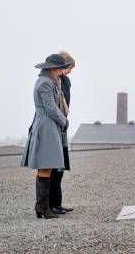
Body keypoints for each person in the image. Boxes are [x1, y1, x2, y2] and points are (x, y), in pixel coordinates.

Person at [21, 54, 71, 219]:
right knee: (45, 165)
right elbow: (50, 107)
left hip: (50, 125)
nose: (61, 71)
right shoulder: (44, 83)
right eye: (60, 68)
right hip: (46, 126)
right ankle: (42, 207)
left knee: (47, 166)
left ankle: (42, 206)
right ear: (53, 69)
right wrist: (64, 120)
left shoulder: (49, 81)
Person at [48, 51, 75, 214]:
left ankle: (57, 202)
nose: (70, 71)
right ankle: (50, 204)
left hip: (62, 124)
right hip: (56, 125)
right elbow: (54, 105)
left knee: (60, 166)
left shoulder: (64, 81)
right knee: (53, 166)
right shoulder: (53, 82)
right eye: (69, 68)